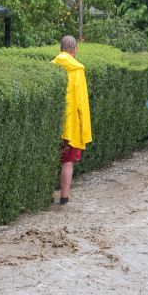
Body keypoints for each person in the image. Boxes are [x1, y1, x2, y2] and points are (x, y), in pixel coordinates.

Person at [52, 35, 92, 205]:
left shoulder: (52, 66)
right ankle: (64, 198)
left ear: (61, 49)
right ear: (74, 50)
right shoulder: (77, 70)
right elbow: (82, 102)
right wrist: (85, 130)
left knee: (51, 160)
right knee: (67, 162)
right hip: (71, 126)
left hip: (53, 122)